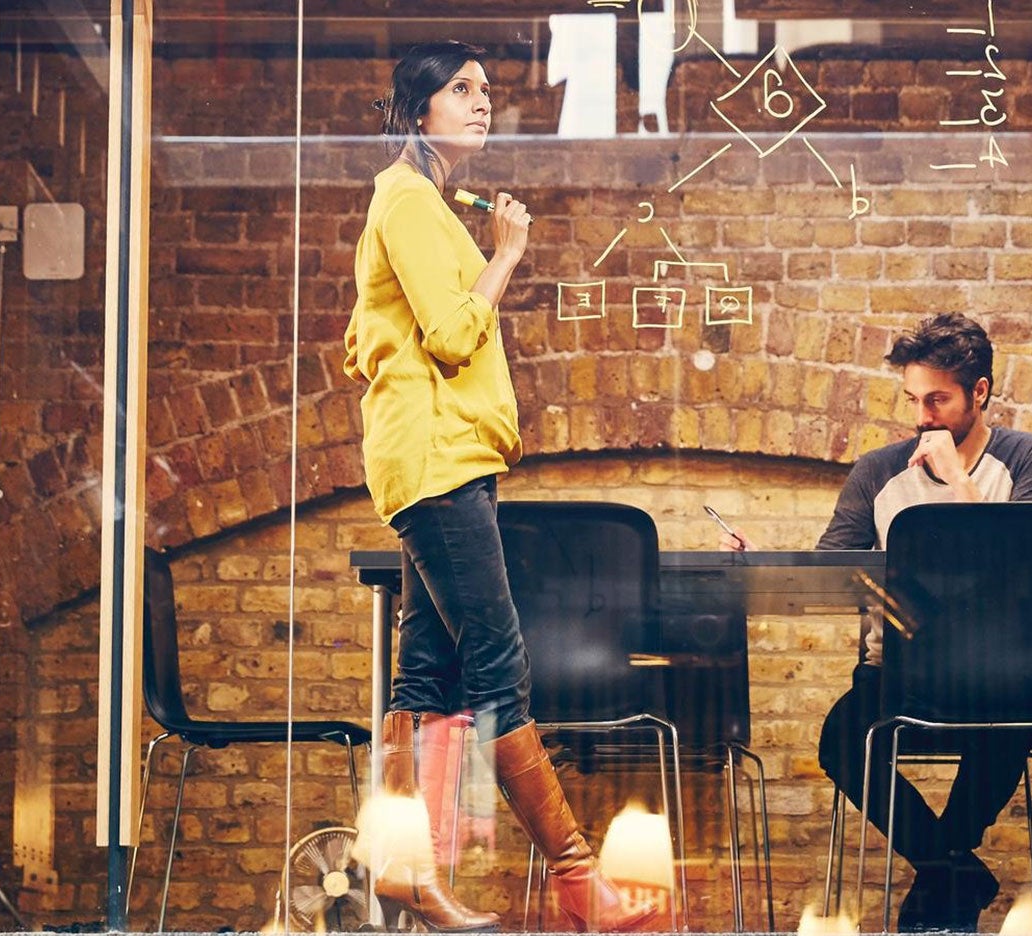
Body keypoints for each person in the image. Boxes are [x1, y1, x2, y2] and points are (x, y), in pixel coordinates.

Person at [341, 40, 664, 933]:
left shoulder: (428, 205)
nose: (481, 103)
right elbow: (449, 335)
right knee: (498, 665)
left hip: (445, 460)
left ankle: (405, 869)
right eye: (459, 90)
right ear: (418, 110)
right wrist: (510, 251)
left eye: (485, 90)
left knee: (428, 672)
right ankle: (577, 879)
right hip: (437, 462)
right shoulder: (406, 198)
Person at [722, 313, 1032, 932]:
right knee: (841, 738)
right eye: (914, 399)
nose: (924, 416)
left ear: (979, 392)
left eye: (939, 399)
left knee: (1009, 728)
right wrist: (763, 558)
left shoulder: (1025, 457)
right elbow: (830, 569)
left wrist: (957, 482)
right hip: (899, 672)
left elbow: (1025, 567)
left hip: (998, 673)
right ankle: (952, 871)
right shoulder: (879, 471)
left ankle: (939, 883)